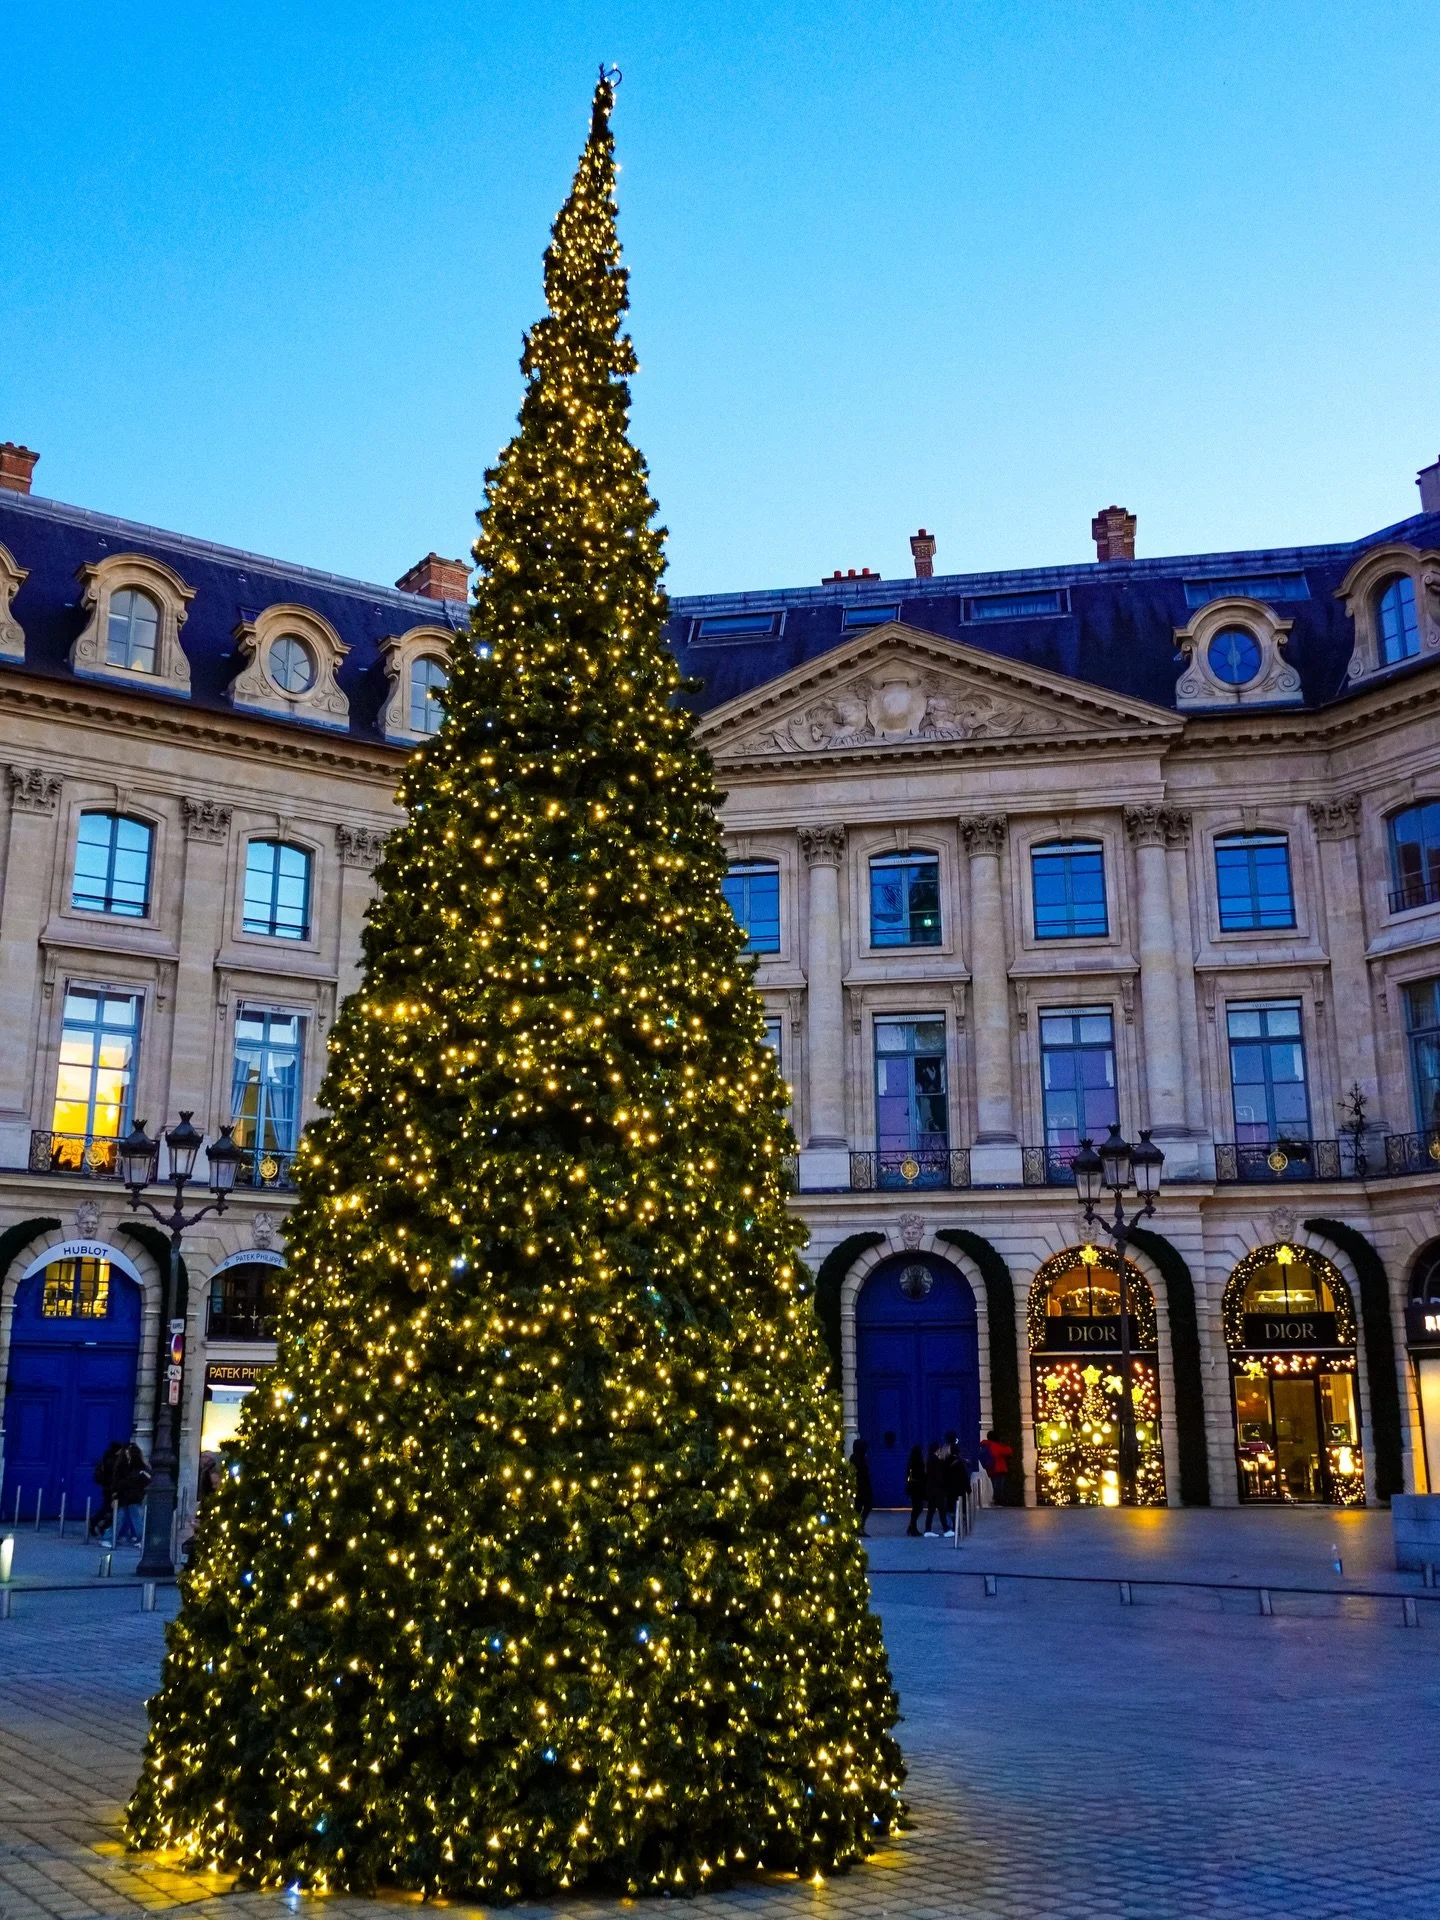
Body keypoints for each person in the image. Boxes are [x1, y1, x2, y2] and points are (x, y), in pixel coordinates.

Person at [112, 1443, 150, 1548]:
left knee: (132, 1518)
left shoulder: (138, 1468)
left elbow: (146, 1479)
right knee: (125, 1517)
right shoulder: (127, 1466)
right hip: (127, 1495)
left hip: (133, 1496)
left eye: (128, 1452)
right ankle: (121, 1536)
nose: (127, 1454)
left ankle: (140, 1538)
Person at [89, 1439, 124, 1539]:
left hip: (106, 1487)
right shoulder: (114, 1461)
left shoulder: (106, 1458)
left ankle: (98, 1524)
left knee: (108, 1508)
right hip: (111, 1487)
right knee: (112, 1509)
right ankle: (100, 1524)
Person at [922, 1441, 951, 1537]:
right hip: (937, 1489)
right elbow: (939, 1476)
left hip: (931, 1489)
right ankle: (946, 1529)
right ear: (937, 1449)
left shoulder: (929, 1459)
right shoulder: (936, 1460)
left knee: (931, 1510)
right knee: (941, 1509)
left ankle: (928, 1529)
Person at [944, 1432, 969, 1537]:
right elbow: (963, 1476)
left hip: (949, 1487)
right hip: (959, 1487)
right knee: (960, 1507)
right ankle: (959, 1526)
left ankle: (953, 1526)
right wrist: (968, 1488)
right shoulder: (959, 1462)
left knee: (950, 1507)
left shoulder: (944, 1456)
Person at [980, 1429, 1013, 1507]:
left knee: (995, 1485)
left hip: (990, 1469)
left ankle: (996, 1500)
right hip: (999, 1469)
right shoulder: (995, 1445)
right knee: (999, 1486)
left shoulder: (985, 1445)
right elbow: (1008, 1451)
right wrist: (1007, 1444)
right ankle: (998, 1501)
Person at [850, 1436, 873, 1537]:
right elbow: (862, 1472)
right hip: (862, 1486)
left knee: (858, 1508)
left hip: (858, 1486)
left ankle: (856, 1527)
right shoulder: (860, 1458)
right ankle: (859, 1527)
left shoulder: (854, 1457)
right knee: (867, 1506)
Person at [904, 1445, 926, 1535]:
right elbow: (921, 1475)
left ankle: (912, 1526)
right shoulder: (919, 1462)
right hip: (918, 1487)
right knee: (918, 1508)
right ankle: (912, 1527)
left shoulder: (911, 1462)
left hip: (914, 1487)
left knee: (916, 1508)